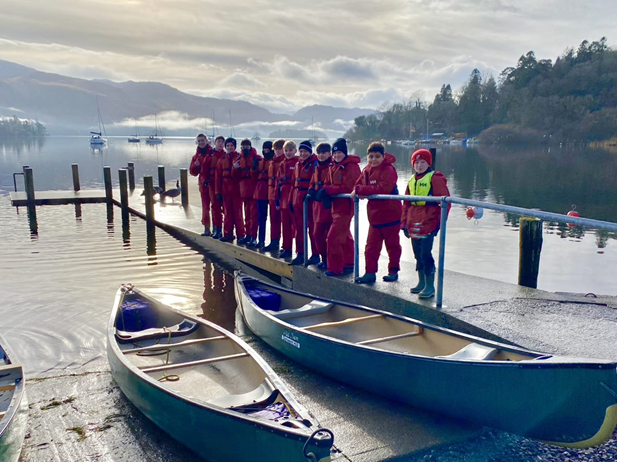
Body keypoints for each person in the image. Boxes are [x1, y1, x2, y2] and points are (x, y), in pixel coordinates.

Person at [401, 148, 450, 298]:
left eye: (423, 162)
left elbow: (445, 203)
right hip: (413, 220)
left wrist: (439, 224)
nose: (419, 165)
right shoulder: (411, 180)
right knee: (417, 253)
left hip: (428, 221)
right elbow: (406, 203)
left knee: (425, 253)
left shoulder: (435, 178)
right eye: (417, 162)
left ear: (428, 163)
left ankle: (430, 286)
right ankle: (421, 282)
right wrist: (404, 224)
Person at [351, 142, 402, 283]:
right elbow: (357, 184)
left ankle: (393, 271)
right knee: (371, 247)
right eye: (371, 156)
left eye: (377, 156)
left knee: (392, 246)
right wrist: (359, 189)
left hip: (391, 215)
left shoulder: (389, 170)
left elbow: (384, 188)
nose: (374, 159)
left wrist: (362, 190)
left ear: (383, 156)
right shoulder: (366, 170)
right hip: (375, 217)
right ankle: (370, 273)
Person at [318, 138, 361, 276]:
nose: (337, 156)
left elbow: (349, 187)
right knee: (346, 236)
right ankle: (349, 263)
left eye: (340, 153)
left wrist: (330, 190)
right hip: (335, 207)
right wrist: (325, 191)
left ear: (345, 153)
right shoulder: (333, 166)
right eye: (335, 153)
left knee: (333, 238)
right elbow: (326, 183)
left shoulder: (352, 167)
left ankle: (335, 268)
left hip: (345, 208)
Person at [289, 140, 319, 265]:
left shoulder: (315, 164)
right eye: (301, 151)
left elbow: (315, 182)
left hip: (309, 201)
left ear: (310, 152)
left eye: (305, 151)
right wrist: (291, 200)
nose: (303, 154)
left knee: (312, 229)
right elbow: (292, 184)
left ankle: (316, 254)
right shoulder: (297, 164)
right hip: (297, 200)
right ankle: (300, 253)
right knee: (299, 229)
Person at [308, 142, 333, 269]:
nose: (321, 155)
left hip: (328, 207)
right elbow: (312, 183)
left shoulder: (332, 166)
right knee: (316, 233)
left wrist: (326, 192)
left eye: (324, 152)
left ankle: (330, 260)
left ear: (329, 153)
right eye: (319, 153)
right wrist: (311, 190)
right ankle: (323, 258)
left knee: (330, 235)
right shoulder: (317, 167)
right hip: (317, 207)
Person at [216, 137, 245, 242]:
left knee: (238, 213)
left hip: (236, 190)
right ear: (225, 147)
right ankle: (228, 234)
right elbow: (218, 177)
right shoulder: (222, 159)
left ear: (235, 147)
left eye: (231, 145)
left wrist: (235, 169)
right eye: (228, 145)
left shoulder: (239, 158)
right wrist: (218, 192)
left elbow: (241, 175)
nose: (230, 147)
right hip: (225, 190)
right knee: (227, 213)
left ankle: (241, 234)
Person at [275, 140, 299, 259]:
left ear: (295, 150)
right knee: (285, 225)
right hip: (283, 198)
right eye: (286, 151)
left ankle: (299, 251)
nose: (288, 153)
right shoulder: (282, 164)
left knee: (296, 226)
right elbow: (277, 182)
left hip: (293, 198)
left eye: (290, 150)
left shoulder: (298, 163)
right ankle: (286, 248)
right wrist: (276, 198)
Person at [262, 139, 285, 254]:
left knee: (285, 221)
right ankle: (274, 241)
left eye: (279, 149)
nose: (277, 151)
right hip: (271, 194)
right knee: (273, 219)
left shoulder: (285, 162)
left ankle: (286, 245)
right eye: (275, 149)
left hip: (281, 195)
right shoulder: (272, 162)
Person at [235, 139, 260, 246]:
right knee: (247, 214)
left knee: (254, 215)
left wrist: (254, 168)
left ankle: (254, 237)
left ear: (250, 147)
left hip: (254, 190)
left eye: (247, 146)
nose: (245, 148)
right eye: (243, 147)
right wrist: (234, 169)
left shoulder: (257, 158)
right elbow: (234, 176)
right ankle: (248, 235)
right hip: (244, 190)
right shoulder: (238, 159)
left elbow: (259, 175)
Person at [250, 140, 273, 250]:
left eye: (268, 150)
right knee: (260, 217)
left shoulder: (274, 162)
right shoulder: (260, 162)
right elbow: (254, 178)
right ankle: (261, 240)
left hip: (271, 193)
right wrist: (254, 169)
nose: (265, 152)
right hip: (260, 192)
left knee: (274, 219)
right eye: (264, 150)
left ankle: (275, 242)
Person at [189, 133, 213, 236]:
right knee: (205, 207)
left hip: (214, 184)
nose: (201, 142)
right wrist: (195, 166)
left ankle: (219, 230)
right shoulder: (195, 157)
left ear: (207, 141)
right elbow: (193, 172)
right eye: (199, 141)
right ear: (196, 143)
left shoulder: (214, 153)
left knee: (217, 207)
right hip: (203, 185)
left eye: (202, 140)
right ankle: (207, 229)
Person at [208, 135, 226, 239]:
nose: (220, 144)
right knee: (215, 206)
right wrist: (204, 181)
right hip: (212, 184)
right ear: (215, 143)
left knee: (225, 208)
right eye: (218, 141)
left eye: (222, 142)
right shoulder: (210, 155)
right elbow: (204, 170)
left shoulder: (226, 155)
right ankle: (216, 229)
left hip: (224, 185)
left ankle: (226, 230)